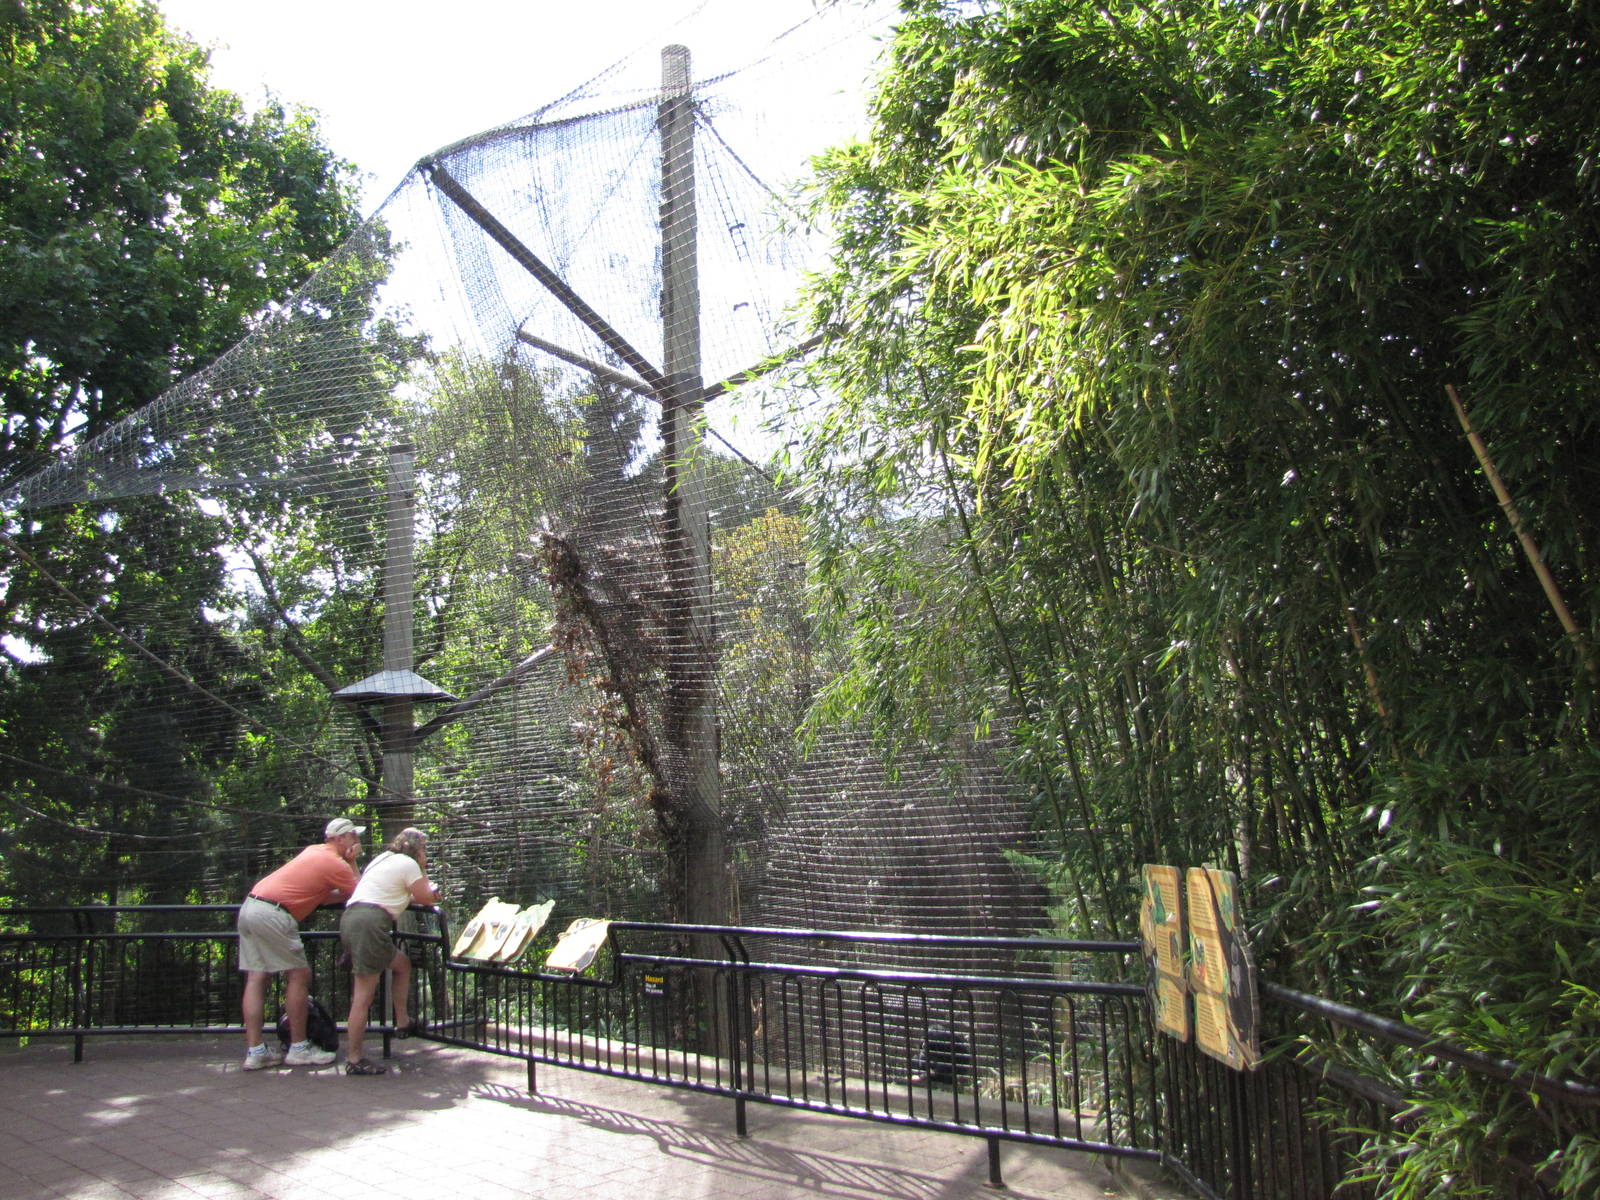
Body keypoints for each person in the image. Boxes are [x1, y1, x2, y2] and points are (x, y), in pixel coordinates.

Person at [237, 816, 364, 1071]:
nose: (357, 840)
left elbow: (318, 894)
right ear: (340, 839)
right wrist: (352, 861)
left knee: (257, 976)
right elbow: (360, 893)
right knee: (299, 975)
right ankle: (299, 1048)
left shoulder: (314, 851)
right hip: (274, 915)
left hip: (251, 907)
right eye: (354, 836)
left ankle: (256, 1052)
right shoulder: (336, 863)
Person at [339, 826, 441, 1075]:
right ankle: (354, 1059)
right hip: (371, 923)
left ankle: (402, 1021)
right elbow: (426, 898)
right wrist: (424, 869)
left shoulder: (383, 858)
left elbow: (397, 892)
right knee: (363, 996)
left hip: (352, 918)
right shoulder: (409, 864)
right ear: (418, 849)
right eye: (424, 849)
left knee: (402, 964)